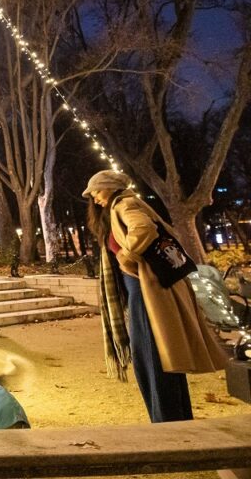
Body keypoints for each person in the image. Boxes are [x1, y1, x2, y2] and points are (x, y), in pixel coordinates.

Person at [83, 170, 227, 423]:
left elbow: (143, 228)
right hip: (144, 289)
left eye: (95, 191)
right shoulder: (124, 204)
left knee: (150, 356)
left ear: (109, 187)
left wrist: (126, 256)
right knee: (159, 355)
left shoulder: (124, 203)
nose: (94, 198)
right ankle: (177, 419)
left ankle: (166, 424)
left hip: (146, 291)